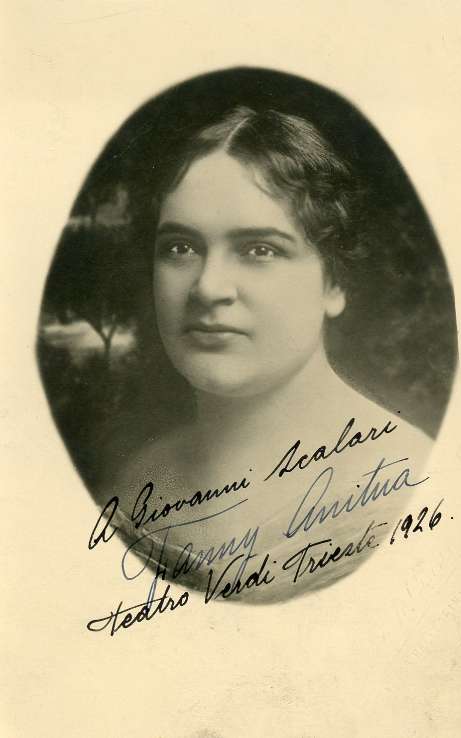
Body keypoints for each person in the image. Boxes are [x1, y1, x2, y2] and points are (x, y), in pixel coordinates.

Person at [105, 106, 433, 603]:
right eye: (180, 248)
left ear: (334, 281)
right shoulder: (143, 482)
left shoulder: (406, 488)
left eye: (259, 249)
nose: (208, 287)